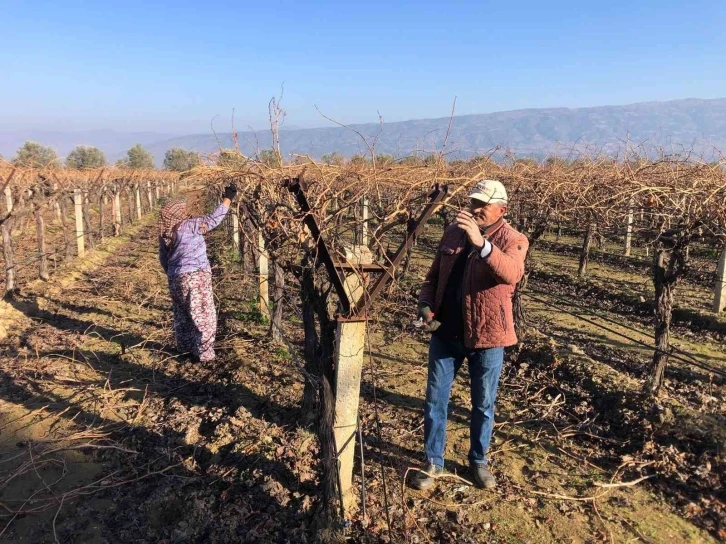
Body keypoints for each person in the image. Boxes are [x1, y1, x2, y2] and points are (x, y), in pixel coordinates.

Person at [411, 179, 528, 490]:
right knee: (435, 399)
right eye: (472, 202)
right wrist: (424, 303)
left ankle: (478, 461)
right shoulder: (453, 232)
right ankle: (433, 461)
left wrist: (482, 245)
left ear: (501, 209)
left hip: (488, 337)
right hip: (446, 333)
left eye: (482, 205)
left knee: (483, 403)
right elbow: (433, 276)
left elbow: (512, 273)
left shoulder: (514, 239)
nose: (474, 209)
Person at [158, 184, 237, 362]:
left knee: (183, 315)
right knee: (203, 315)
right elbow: (213, 220)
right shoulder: (189, 225)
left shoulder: (165, 234)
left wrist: (173, 274)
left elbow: (163, 259)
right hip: (196, 276)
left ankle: (185, 349)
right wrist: (228, 199)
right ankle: (205, 354)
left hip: (175, 278)